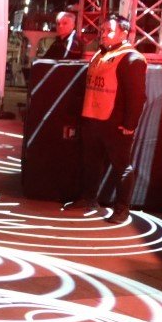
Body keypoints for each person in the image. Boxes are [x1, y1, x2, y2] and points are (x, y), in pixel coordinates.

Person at [62, 14, 146, 224]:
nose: (104, 35)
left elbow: (137, 96)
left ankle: (122, 208)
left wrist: (129, 124)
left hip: (115, 123)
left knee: (121, 166)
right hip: (92, 119)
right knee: (90, 162)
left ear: (123, 33)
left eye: (109, 30)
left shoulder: (131, 58)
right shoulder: (99, 54)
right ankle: (89, 198)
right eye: (103, 30)